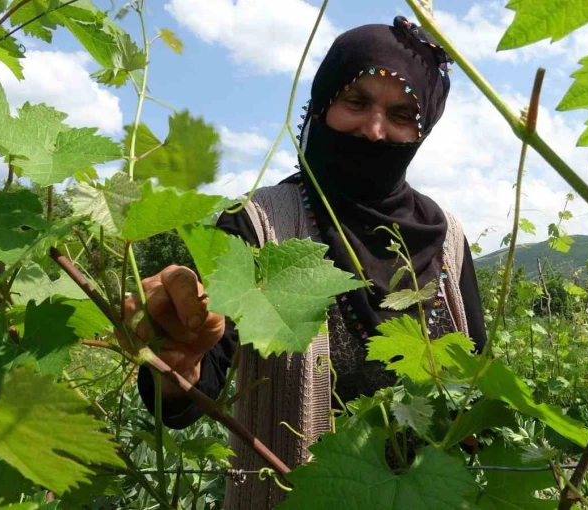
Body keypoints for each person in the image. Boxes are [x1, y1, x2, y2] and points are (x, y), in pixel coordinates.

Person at [129, 16, 488, 509]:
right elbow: (197, 381)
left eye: (403, 115)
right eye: (356, 102)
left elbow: (476, 378)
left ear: (424, 129)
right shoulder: (257, 224)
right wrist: (178, 360)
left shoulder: (447, 235)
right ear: (320, 105)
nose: (375, 131)